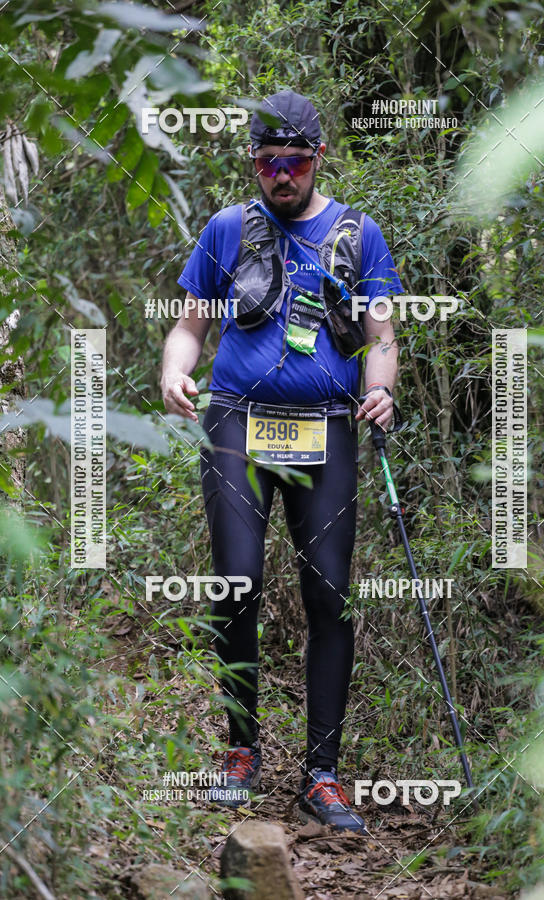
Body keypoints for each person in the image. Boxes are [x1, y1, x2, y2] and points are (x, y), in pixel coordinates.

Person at [161, 89, 401, 834]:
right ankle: (240, 753)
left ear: (319, 156)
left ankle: (322, 775)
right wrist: (175, 370)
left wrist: (381, 390)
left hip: (327, 428)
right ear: (254, 164)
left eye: (295, 161)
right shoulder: (229, 229)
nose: (282, 176)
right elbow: (188, 325)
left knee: (330, 597)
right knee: (238, 582)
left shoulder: (358, 235)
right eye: (269, 163)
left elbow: (382, 333)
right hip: (237, 422)